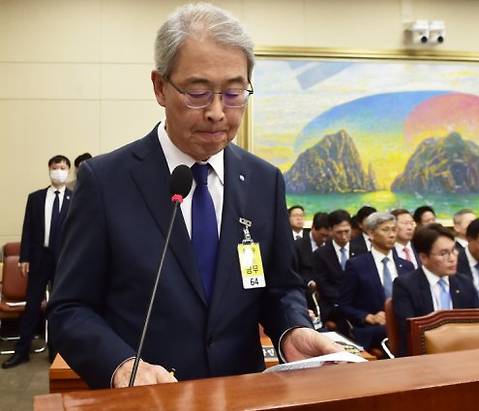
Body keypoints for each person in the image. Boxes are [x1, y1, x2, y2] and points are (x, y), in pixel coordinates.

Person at [47, 3, 339, 389]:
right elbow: (70, 309)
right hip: (148, 400)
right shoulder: (105, 181)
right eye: (198, 93)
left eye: (234, 93)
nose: (217, 112)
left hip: (242, 394)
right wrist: (121, 365)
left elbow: (280, 288)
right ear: (160, 87)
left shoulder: (264, 181)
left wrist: (292, 330)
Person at [2, 155, 73, 369]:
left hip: (64, 260)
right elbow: (28, 229)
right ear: (49, 170)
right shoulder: (36, 198)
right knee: (32, 306)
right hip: (39, 258)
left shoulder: (75, 198)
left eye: (62, 168)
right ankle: (21, 351)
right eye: (55, 167)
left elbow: (79, 232)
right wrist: (24, 257)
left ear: (68, 171)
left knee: (60, 307)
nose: (58, 171)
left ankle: (56, 352)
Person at [393, 224, 479, 356]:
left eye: (453, 250)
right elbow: (408, 332)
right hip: (423, 356)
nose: (452, 258)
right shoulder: (406, 285)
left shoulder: (464, 283)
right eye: (444, 253)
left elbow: (478, 324)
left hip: (463, 354)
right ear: (424, 258)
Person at [338, 212, 414, 350]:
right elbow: (343, 305)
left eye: (394, 230)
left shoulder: (407, 266)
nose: (392, 235)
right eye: (385, 230)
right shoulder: (357, 265)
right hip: (373, 328)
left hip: (404, 324)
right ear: (371, 234)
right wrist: (369, 317)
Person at [312, 210, 356, 323]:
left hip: (358, 305)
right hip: (333, 306)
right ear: (331, 230)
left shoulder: (361, 250)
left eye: (347, 231)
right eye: (339, 232)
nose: (344, 236)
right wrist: (345, 302)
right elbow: (324, 285)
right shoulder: (320, 254)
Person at [294, 212, 330, 287]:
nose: (324, 239)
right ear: (313, 227)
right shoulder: (297, 246)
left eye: (327, 236)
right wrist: (309, 282)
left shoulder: (330, 244)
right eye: (322, 235)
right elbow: (295, 271)